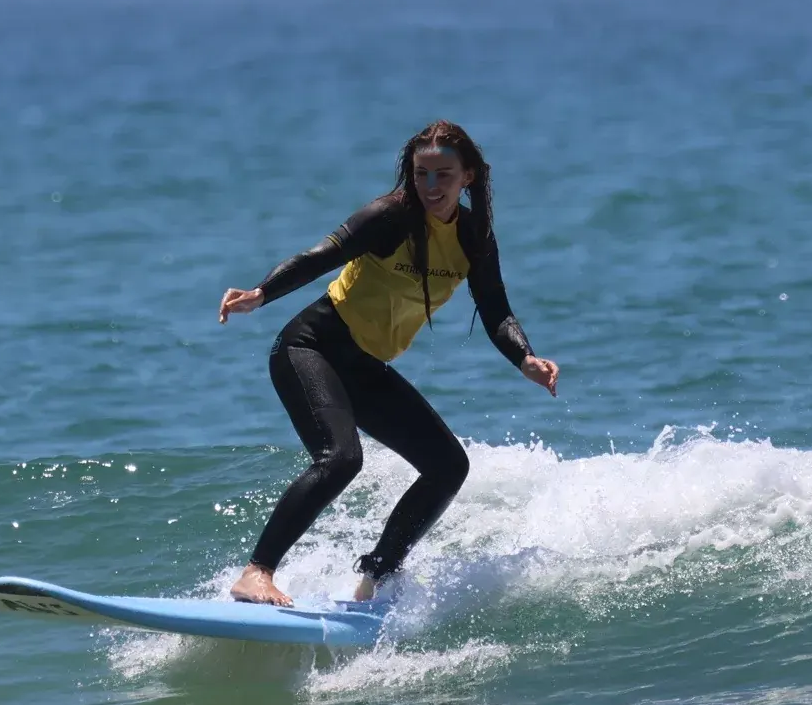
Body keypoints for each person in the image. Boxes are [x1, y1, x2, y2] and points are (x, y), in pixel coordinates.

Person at [217, 120, 559, 606]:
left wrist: (524, 358)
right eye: (422, 175)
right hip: (310, 347)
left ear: (470, 177)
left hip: (362, 364)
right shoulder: (389, 216)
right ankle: (256, 572)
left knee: (447, 466)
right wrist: (262, 293)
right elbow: (320, 257)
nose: (432, 186)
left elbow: (496, 308)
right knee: (342, 458)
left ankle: (374, 579)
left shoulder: (472, 237)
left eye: (443, 175)